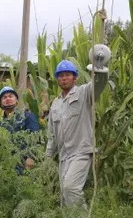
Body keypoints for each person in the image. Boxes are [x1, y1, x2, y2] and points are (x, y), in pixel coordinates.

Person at [45, 59, 109, 210]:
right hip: (64, 157)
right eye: (60, 75)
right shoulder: (56, 104)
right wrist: (48, 157)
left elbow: (99, 84)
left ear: (75, 78)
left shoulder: (84, 93)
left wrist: (99, 67)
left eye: (68, 74)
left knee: (71, 188)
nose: (64, 78)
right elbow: (52, 134)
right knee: (64, 197)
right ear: (57, 79)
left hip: (81, 152)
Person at [0, 86, 40, 171]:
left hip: (25, 163)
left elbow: (36, 137)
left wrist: (31, 158)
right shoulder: (0, 124)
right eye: (4, 97)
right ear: (1, 103)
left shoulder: (27, 116)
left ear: (16, 101)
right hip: (7, 165)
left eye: (11, 96)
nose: (8, 99)